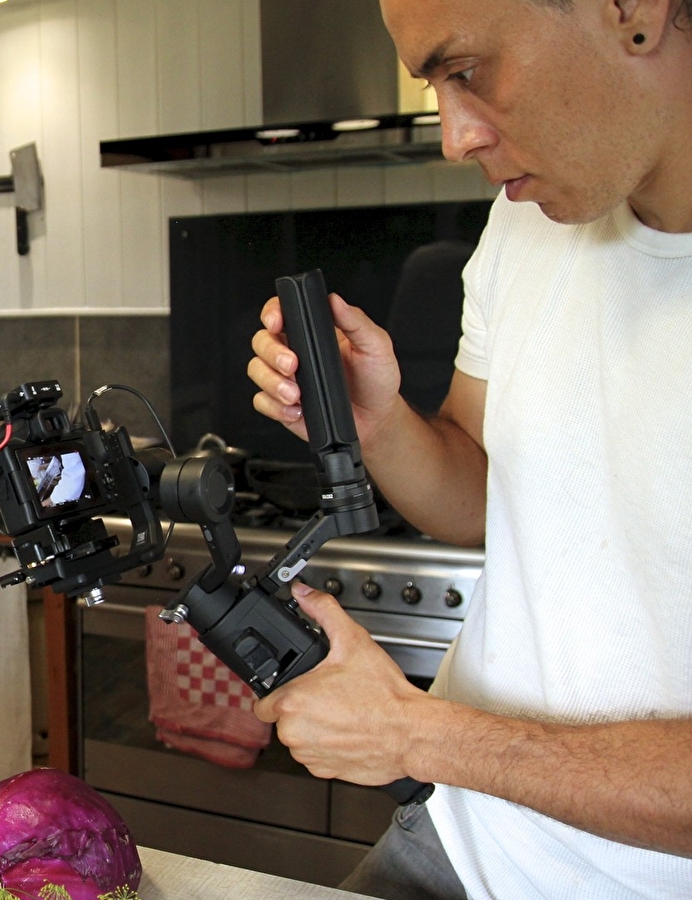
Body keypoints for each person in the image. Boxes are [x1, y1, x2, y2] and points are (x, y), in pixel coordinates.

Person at [245, 0, 692, 897]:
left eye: (466, 71)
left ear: (632, 11)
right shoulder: (526, 220)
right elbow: (487, 495)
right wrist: (379, 423)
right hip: (463, 835)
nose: (453, 137)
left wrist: (416, 734)